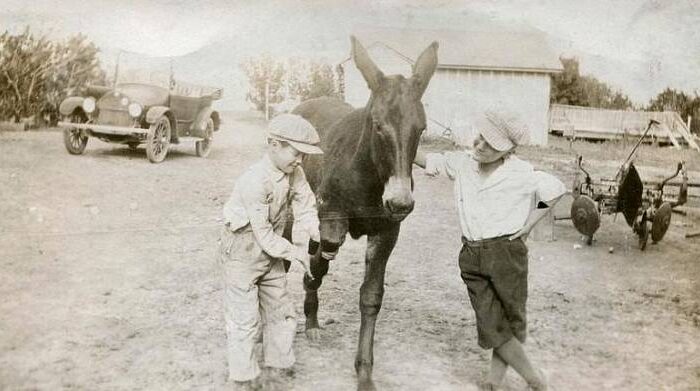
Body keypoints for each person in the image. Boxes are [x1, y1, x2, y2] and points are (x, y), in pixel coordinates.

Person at [414, 109, 566, 390]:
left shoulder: (520, 172)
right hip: (471, 255)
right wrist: (402, 137)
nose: (481, 146)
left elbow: (555, 189)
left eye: (491, 145)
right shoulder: (462, 163)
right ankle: (536, 380)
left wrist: (530, 224)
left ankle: (493, 383)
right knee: (490, 322)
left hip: (507, 254)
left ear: (507, 150)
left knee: (510, 321)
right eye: (481, 138)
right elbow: (428, 160)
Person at [219, 113, 323, 390]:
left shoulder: (295, 173)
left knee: (280, 308)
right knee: (244, 318)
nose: (301, 160)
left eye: (304, 154)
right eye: (296, 152)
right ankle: (244, 376)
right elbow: (263, 234)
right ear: (274, 145)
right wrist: (298, 253)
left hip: (272, 252)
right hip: (243, 250)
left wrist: (315, 230)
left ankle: (279, 364)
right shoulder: (254, 180)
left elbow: (305, 205)